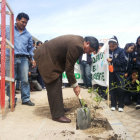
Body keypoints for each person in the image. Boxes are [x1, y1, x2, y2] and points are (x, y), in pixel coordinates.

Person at [34, 35, 99, 123]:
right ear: (87, 43)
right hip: (46, 57)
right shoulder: (78, 46)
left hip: (51, 57)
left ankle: (59, 108)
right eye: (90, 50)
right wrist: (75, 85)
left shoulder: (79, 40)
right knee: (54, 83)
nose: (89, 53)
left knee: (58, 83)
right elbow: (69, 68)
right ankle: (57, 115)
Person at [13, 12, 35, 106]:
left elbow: (30, 49)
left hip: (24, 59)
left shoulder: (28, 35)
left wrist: (32, 59)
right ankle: (12, 99)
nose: (24, 24)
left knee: (25, 80)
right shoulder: (8, 29)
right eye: (22, 22)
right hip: (10, 58)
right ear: (17, 20)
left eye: (26, 23)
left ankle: (25, 99)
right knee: (10, 80)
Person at [107, 36, 127, 112]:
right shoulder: (107, 51)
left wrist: (112, 60)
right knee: (112, 89)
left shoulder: (121, 51)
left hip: (119, 73)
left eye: (113, 46)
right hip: (111, 73)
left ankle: (121, 105)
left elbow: (123, 62)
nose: (111, 48)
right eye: (110, 46)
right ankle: (113, 105)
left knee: (120, 89)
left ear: (117, 44)